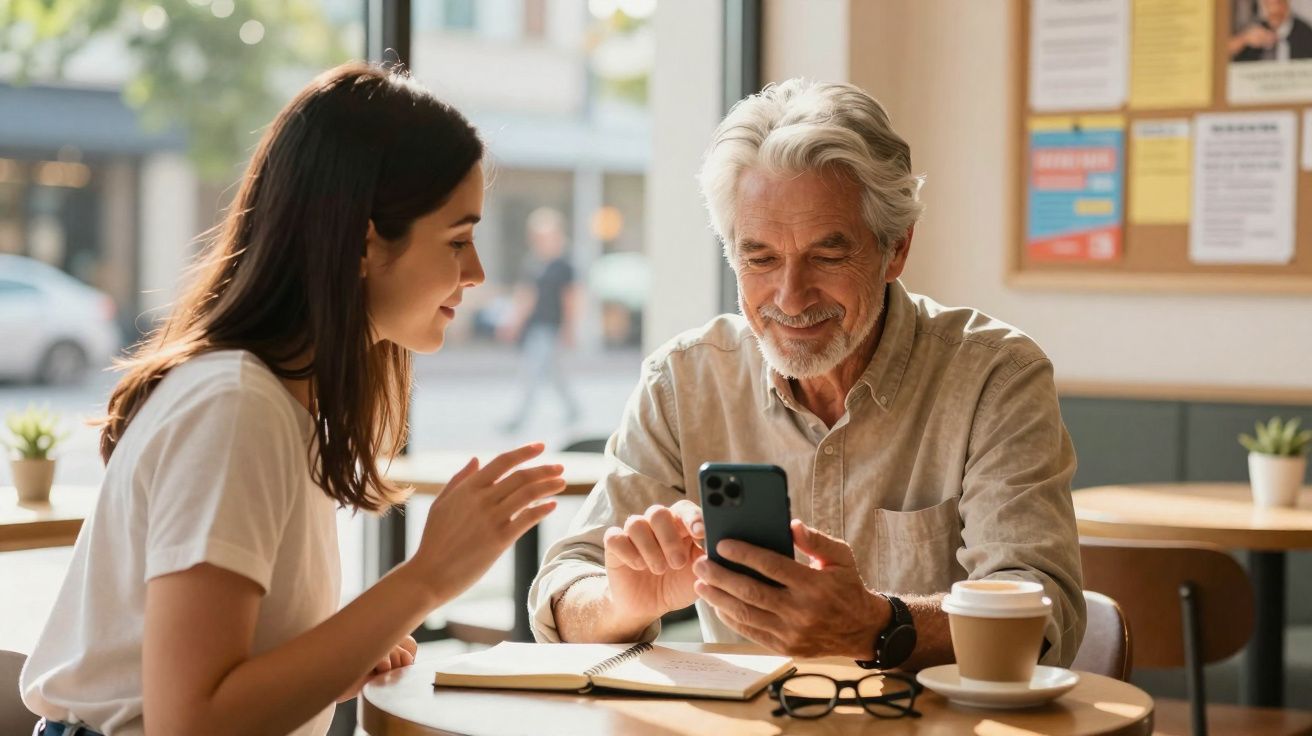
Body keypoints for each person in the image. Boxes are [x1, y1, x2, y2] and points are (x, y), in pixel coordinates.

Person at [19, 62, 566, 736]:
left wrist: (345, 649)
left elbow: (224, 682)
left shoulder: (276, 401)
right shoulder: (234, 408)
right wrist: (425, 579)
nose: (477, 272)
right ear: (364, 243)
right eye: (457, 239)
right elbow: (190, 723)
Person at [529, 79, 1085, 672]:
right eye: (760, 258)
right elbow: (563, 591)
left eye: (827, 255)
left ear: (895, 249)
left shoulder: (995, 376)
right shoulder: (682, 380)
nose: (791, 298)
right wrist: (619, 603)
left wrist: (879, 624)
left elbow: (1042, 614)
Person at [498, 206, 582, 432]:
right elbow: (527, 295)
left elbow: (570, 299)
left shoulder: (564, 265)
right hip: (535, 327)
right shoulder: (534, 262)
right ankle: (573, 410)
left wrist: (569, 328)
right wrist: (514, 322)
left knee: (532, 372)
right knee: (555, 374)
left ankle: (516, 418)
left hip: (551, 328)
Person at [1230, 0, 1312, 61]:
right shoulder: (1255, 31)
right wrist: (1244, 39)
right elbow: (1222, 53)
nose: (1273, 9)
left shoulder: (1306, 34)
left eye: (1277, 3)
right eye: (1268, 4)